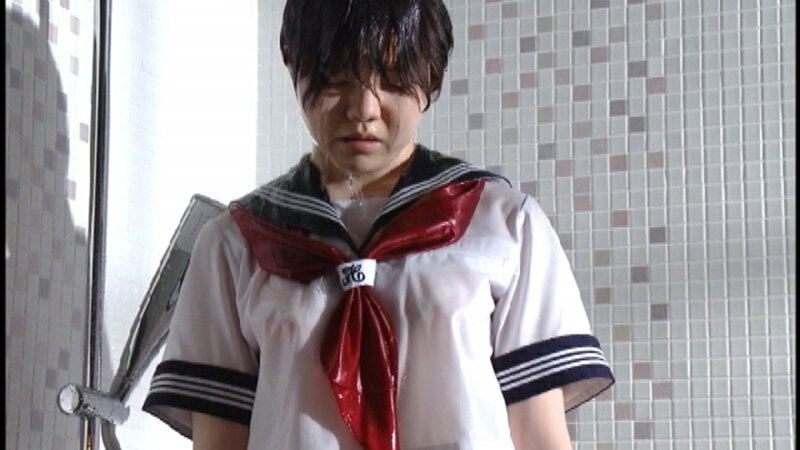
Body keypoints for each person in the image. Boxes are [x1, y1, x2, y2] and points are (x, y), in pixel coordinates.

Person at [143, 0, 614, 449]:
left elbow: (538, 436)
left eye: (392, 79)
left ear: (430, 74)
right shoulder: (235, 244)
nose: (364, 109)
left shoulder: (505, 225)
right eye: (334, 78)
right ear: (291, 63)